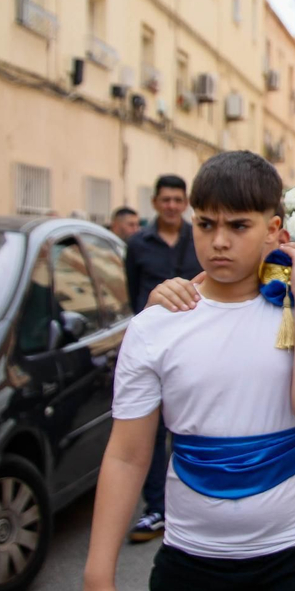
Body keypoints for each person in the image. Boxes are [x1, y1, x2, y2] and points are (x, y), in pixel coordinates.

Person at [78, 151, 295, 591]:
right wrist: (98, 579)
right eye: (206, 224)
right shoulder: (157, 325)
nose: (219, 242)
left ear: (273, 229)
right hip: (194, 568)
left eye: (239, 226)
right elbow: (126, 454)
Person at [122, 174, 203, 544]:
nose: (172, 205)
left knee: (189, 425)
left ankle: (191, 504)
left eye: (177, 199)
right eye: (165, 200)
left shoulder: (197, 237)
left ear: (185, 203)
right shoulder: (138, 244)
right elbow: (131, 291)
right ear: (155, 203)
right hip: (154, 348)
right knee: (150, 432)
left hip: (196, 344)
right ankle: (156, 507)